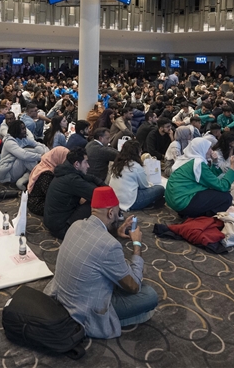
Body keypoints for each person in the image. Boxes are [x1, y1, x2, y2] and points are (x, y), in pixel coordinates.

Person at [44, 186, 157, 339]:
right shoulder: (109, 246)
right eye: (118, 214)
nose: (119, 218)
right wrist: (137, 244)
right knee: (149, 295)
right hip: (85, 311)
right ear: (111, 213)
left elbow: (95, 245)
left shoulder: (76, 225)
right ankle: (115, 321)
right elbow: (134, 286)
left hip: (61, 296)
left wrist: (115, 233)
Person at [165, 137, 234, 217]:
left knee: (214, 191)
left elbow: (209, 178)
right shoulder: (198, 163)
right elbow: (222, 186)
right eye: (209, 148)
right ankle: (197, 215)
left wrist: (215, 162)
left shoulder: (188, 160)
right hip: (183, 201)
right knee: (226, 197)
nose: (211, 150)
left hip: (175, 200)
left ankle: (190, 212)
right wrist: (233, 167)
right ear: (202, 149)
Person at [44, 148, 106, 239]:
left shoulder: (65, 171)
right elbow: (99, 196)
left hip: (53, 222)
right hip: (62, 229)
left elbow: (89, 177)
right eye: (86, 162)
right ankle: (109, 227)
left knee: (92, 193)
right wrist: (108, 190)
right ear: (77, 164)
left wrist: (102, 184)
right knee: (96, 203)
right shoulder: (72, 179)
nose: (88, 166)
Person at [107, 141, 165, 211]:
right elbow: (144, 186)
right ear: (137, 153)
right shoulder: (136, 166)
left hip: (115, 199)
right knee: (160, 189)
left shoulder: (117, 163)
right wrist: (152, 184)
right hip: (131, 202)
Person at [0, 120, 48, 190]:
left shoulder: (23, 138)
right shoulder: (9, 142)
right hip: (8, 172)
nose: (25, 130)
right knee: (24, 158)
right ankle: (43, 175)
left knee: (37, 149)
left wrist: (46, 154)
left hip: (19, 168)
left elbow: (41, 145)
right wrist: (41, 157)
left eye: (25, 128)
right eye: (22, 129)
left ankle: (22, 181)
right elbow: (23, 155)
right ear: (16, 130)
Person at [27, 147, 68, 216]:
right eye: (65, 159)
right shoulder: (46, 173)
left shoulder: (45, 165)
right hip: (38, 203)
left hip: (38, 199)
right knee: (65, 207)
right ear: (58, 157)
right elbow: (51, 194)